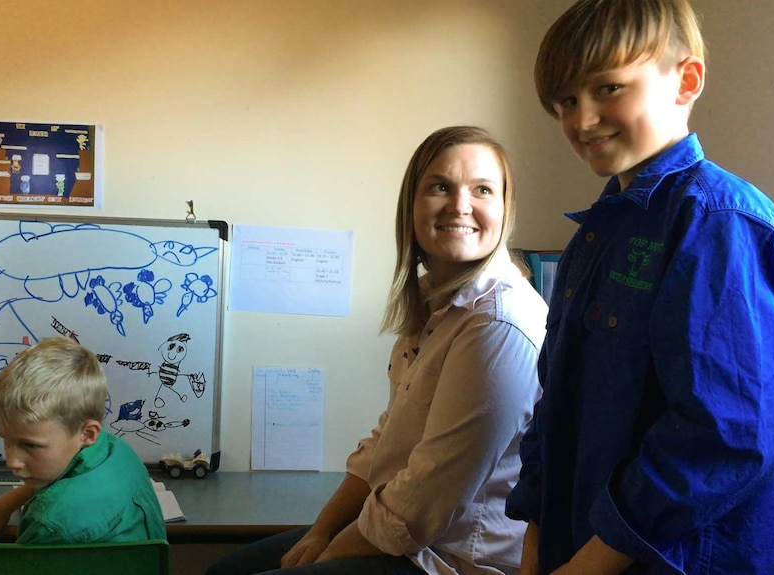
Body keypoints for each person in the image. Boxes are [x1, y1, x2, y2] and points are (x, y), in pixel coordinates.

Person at [504, 1, 774, 574]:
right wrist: (536, 538)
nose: (582, 120)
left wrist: (587, 565)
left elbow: (725, 436)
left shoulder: (720, 222)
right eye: (565, 101)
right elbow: (554, 400)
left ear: (686, 80)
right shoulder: (598, 229)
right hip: (575, 545)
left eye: (608, 88)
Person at [205, 126, 548, 575]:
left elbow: (425, 500)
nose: (460, 205)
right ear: (412, 207)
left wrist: (326, 555)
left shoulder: (498, 323)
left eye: (482, 189)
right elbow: (385, 445)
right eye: (440, 186)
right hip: (406, 535)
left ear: (505, 210)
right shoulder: (434, 304)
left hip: (455, 559)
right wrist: (321, 530)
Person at [0, 337, 166, 545]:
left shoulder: (50, 525)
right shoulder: (116, 450)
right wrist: (4, 504)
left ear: (88, 434)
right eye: (5, 440)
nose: (12, 461)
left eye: (30, 445)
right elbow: (64, 471)